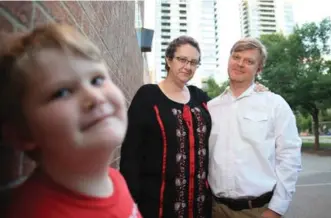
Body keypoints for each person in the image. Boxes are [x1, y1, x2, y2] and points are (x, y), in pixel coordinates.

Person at [1, 23, 141, 218]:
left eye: (97, 80)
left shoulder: (114, 179)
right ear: (22, 133)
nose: (95, 97)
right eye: (62, 92)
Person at [119, 36, 268, 218]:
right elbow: (130, 155)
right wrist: (129, 204)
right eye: (182, 59)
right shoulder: (148, 97)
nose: (187, 67)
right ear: (168, 59)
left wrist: (254, 89)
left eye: (193, 62)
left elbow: (229, 107)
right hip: (156, 205)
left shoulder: (200, 99)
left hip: (199, 207)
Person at [208, 38, 302, 218]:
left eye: (249, 61)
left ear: (258, 69)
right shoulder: (211, 108)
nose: (240, 64)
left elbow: (290, 157)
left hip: (258, 210)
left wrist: (276, 209)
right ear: (229, 60)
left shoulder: (275, 104)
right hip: (215, 209)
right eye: (236, 57)